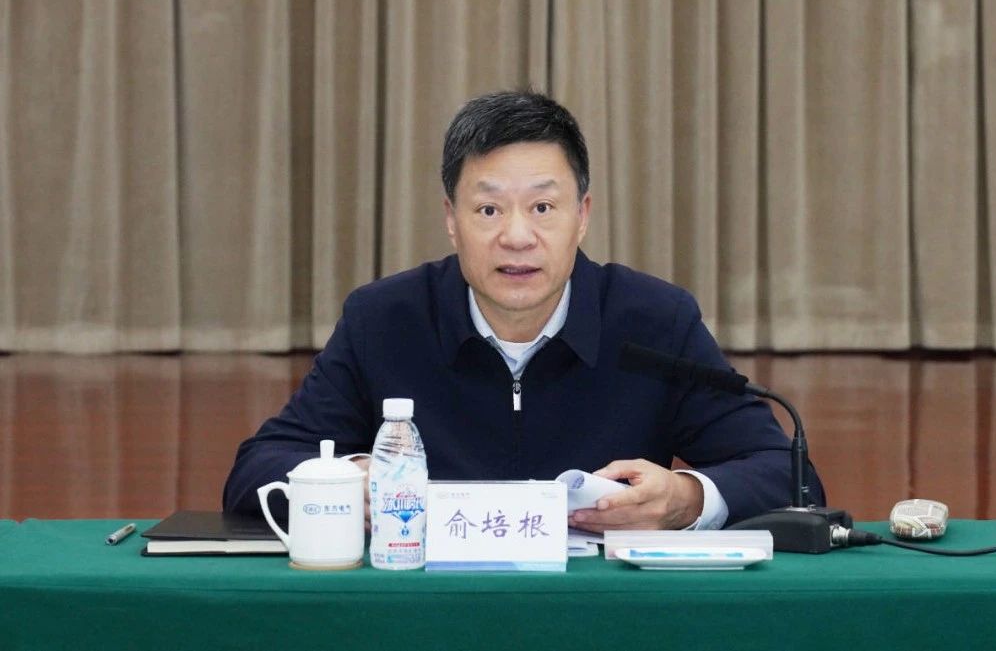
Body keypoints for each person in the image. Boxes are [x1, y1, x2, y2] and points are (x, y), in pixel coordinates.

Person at [223, 90, 825, 532]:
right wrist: (343, 483)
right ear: (451, 220)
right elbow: (257, 469)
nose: (516, 237)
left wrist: (687, 498)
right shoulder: (384, 320)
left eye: (542, 208)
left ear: (582, 216)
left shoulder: (654, 322)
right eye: (488, 211)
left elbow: (789, 475)